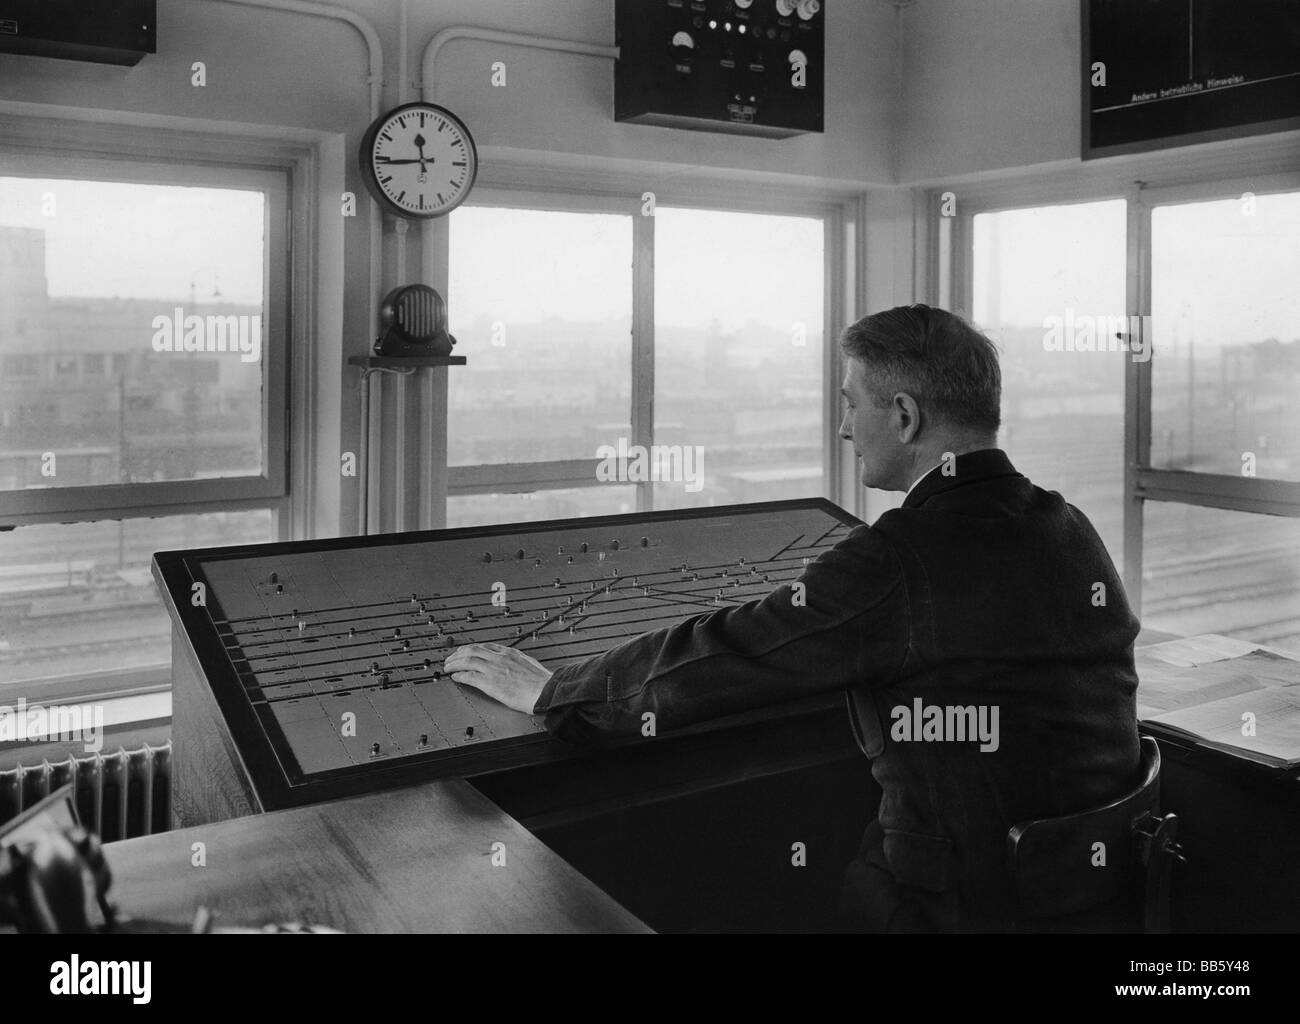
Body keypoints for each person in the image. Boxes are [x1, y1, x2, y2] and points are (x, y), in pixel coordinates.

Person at [446, 303, 1141, 932]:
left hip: (957, 908)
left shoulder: (901, 556)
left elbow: (731, 654)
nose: (843, 428)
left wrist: (556, 691)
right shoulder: (1066, 523)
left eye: (851, 404)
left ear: (904, 416)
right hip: (1090, 894)